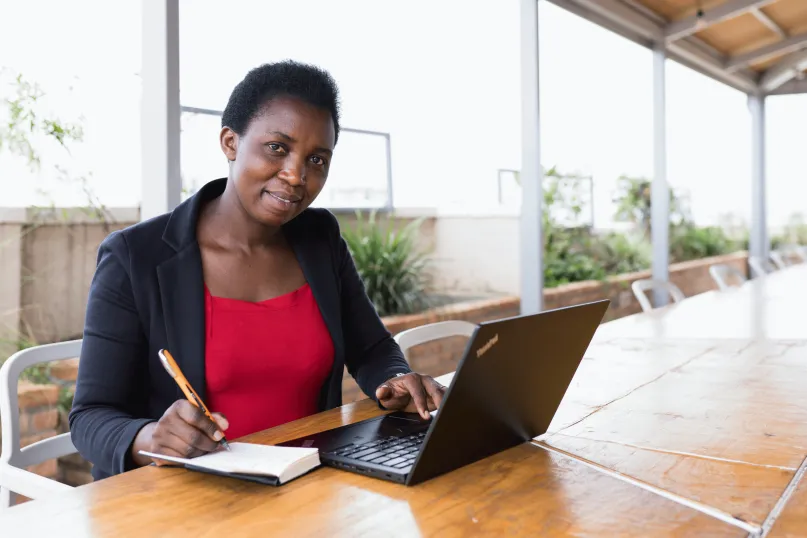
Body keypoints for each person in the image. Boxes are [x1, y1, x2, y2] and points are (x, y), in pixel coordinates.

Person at [69, 60, 446, 481]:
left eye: (317, 159)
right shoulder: (135, 257)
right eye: (277, 148)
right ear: (230, 142)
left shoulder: (319, 238)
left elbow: (371, 347)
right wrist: (150, 436)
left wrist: (394, 379)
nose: (296, 175)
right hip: (181, 495)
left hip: (307, 483)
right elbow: (89, 418)